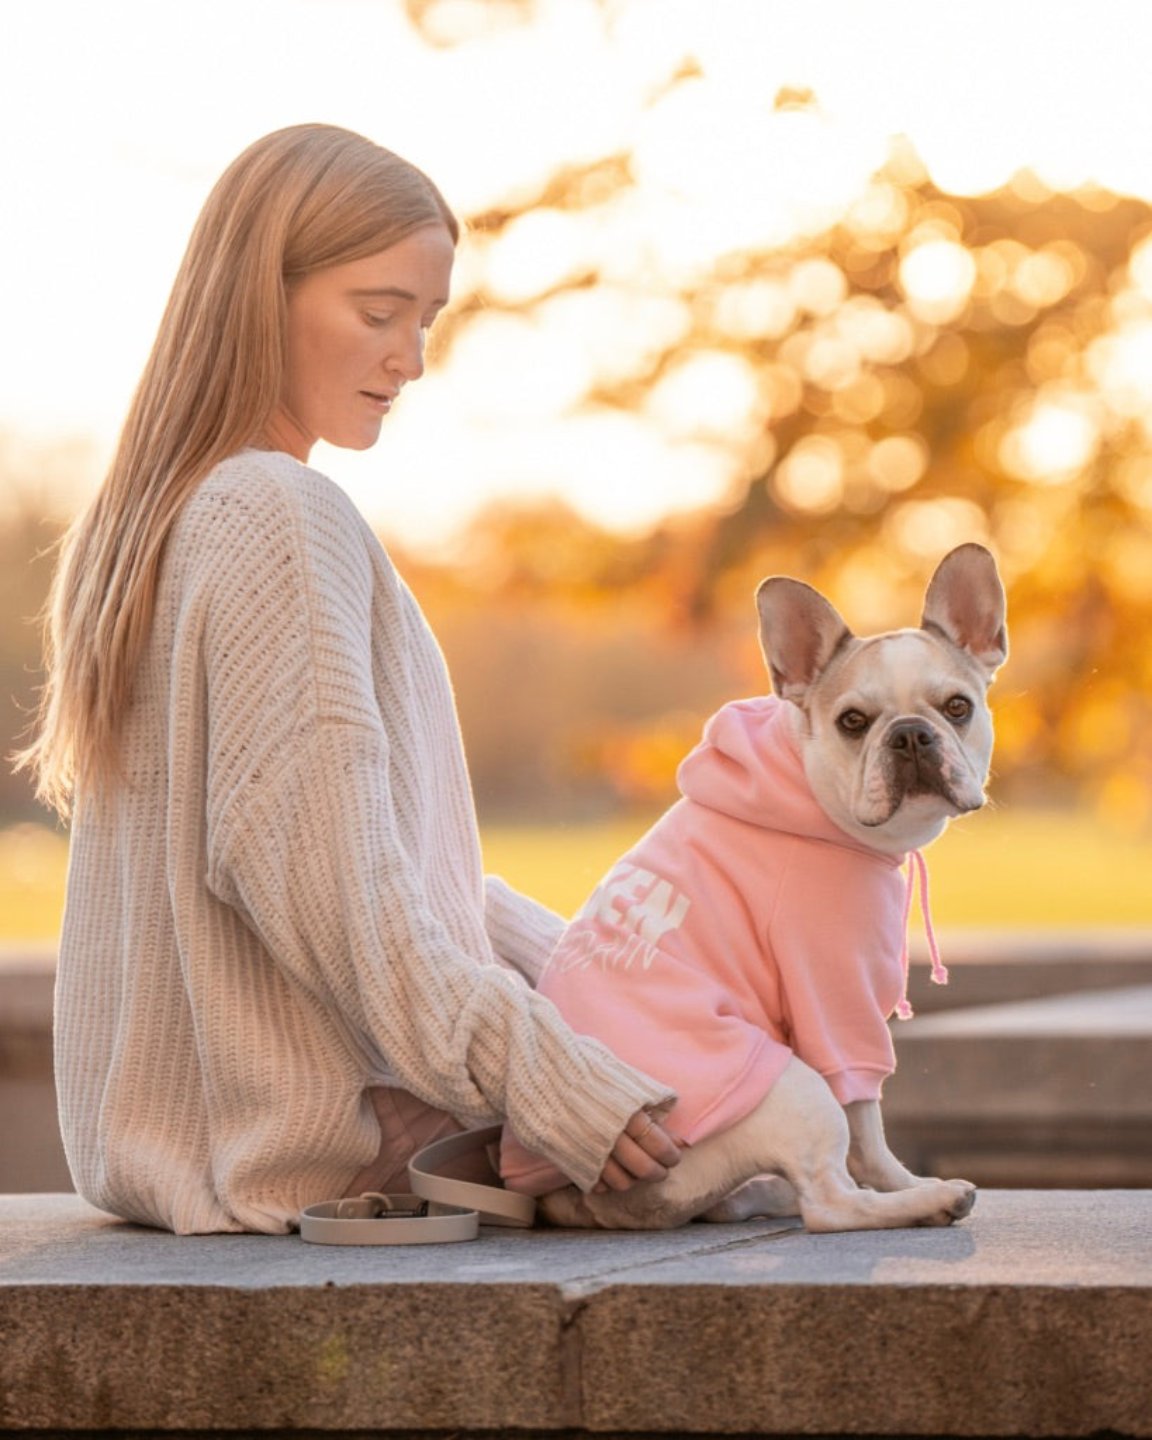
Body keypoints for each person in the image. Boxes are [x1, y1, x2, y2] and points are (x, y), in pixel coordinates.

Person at [15, 123, 680, 1234]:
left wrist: (597, 972)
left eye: (425, 322)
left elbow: (362, 855)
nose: (409, 360)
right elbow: (337, 892)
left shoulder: (169, 519)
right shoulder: (276, 514)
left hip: (184, 1156)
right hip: (322, 1160)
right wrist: (548, 1077)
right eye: (377, 314)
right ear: (254, 296)